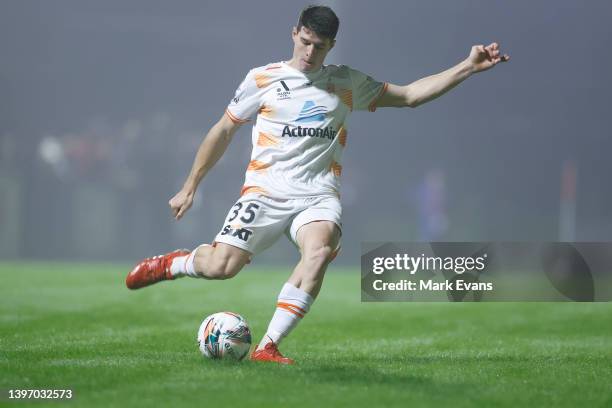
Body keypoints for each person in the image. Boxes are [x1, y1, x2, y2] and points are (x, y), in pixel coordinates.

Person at [125, 5, 509, 364]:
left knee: (320, 250)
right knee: (221, 267)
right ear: (294, 34)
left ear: (332, 45)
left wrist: (468, 67)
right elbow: (224, 129)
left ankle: (268, 346)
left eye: (319, 46)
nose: (310, 51)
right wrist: (191, 184)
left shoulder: (344, 82)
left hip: (317, 196)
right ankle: (172, 264)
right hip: (264, 192)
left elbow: (409, 96)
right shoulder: (263, 78)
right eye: (305, 41)